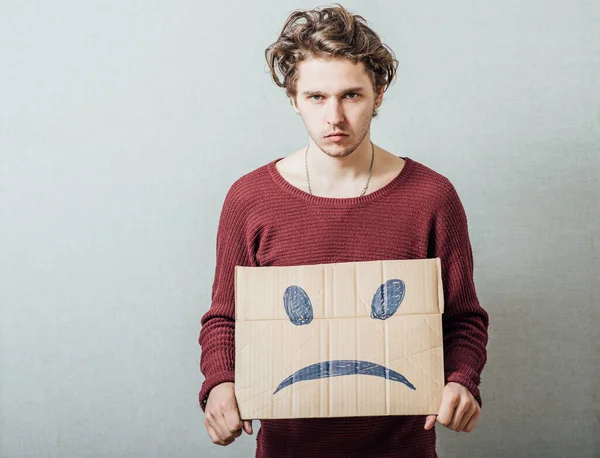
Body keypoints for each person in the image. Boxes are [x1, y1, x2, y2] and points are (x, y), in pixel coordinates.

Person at [198, 4, 489, 457]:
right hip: (287, 449)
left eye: (351, 95)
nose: (334, 116)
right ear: (294, 99)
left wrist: (461, 379)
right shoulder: (250, 199)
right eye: (316, 97)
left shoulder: (432, 196)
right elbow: (225, 317)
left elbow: (463, 318)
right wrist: (219, 383)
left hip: (402, 449)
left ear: (379, 93)